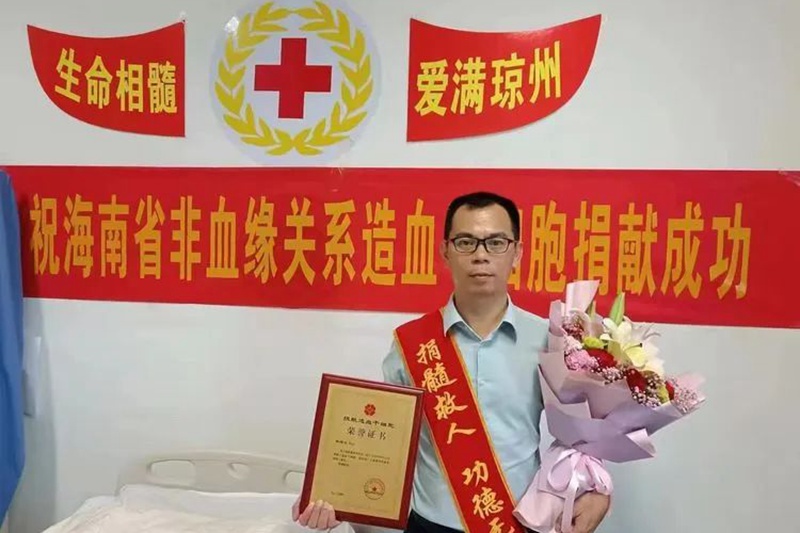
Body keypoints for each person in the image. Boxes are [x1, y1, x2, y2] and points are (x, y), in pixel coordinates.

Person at [293, 192, 610, 533]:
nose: (480, 255)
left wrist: (598, 489)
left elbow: (581, 437)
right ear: (445, 251)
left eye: (496, 242)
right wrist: (339, 494)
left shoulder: (550, 340)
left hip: (517, 523)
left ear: (517, 253)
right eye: (465, 242)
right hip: (428, 525)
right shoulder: (411, 343)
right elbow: (384, 441)